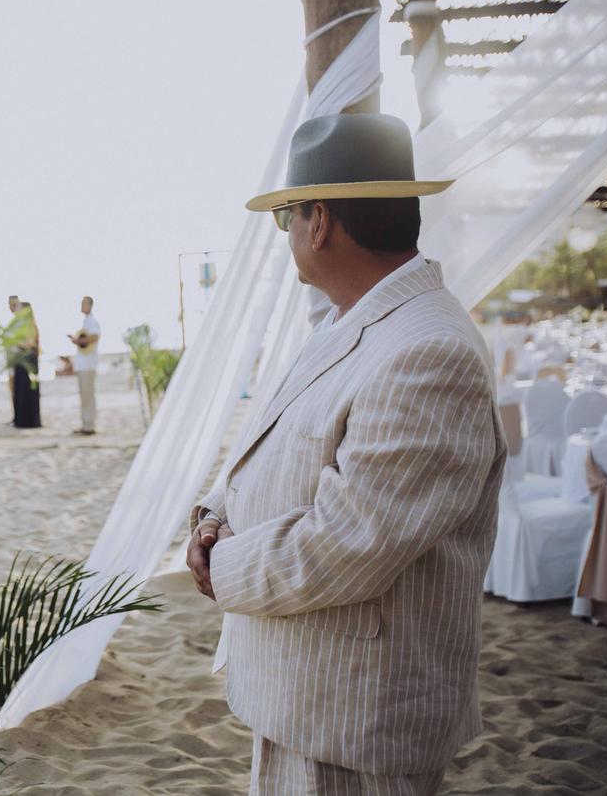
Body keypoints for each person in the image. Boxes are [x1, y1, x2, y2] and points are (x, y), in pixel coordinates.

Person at [184, 114, 505, 794]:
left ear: (320, 220)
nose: (290, 236)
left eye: (288, 219)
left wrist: (222, 565)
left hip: (357, 719)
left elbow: (351, 540)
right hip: (305, 693)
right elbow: (277, 440)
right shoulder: (351, 319)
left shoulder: (427, 350)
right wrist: (214, 513)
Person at [69, 296, 101, 435]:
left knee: (88, 395)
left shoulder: (93, 322)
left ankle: (89, 425)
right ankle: (85, 424)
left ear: (90, 305)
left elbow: (95, 336)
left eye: (84, 303)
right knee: (84, 396)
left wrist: (78, 340)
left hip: (88, 365)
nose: (82, 306)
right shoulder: (86, 321)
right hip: (83, 365)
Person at [10, 301, 41, 429]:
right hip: (21, 361)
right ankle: (20, 419)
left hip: (27, 361)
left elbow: (30, 344)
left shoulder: (30, 325)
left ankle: (28, 421)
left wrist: (16, 344)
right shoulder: (20, 324)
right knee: (20, 391)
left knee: (28, 391)